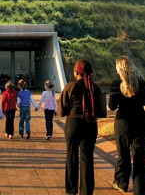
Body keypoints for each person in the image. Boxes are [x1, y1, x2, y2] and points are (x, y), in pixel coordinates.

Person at [58, 59, 102, 195]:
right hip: (90, 125)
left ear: (77, 72)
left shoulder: (70, 86)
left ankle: (71, 190)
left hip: (73, 124)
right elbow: (100, 111)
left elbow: (62, 110)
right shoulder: (95, 88)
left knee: (71, 156)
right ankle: (86, 191)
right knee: (87, 158)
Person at [109, 56, 145, 195]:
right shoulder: (141, 83)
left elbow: (112, 106)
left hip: (123, 123)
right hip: (140, 122)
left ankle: (122, 183)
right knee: (140, 157)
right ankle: (140, 189)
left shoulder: (116, 84)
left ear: (119, 68)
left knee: (123, 155)